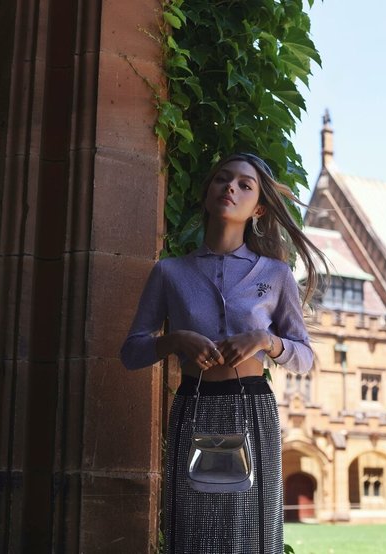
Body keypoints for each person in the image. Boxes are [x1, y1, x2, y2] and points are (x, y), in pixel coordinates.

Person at [120, 153, 326, 554]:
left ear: (258, 209)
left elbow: (304, 357)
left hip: (253, 410)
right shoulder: (169, 272)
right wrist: (175, 340)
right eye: (222, 179)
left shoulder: (276, 275)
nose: (230, 187)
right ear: (207, 192)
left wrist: (265, 340)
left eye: (245, 185)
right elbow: (131, 352)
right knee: (190, 532)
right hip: (193, 407)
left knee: (252, 534)